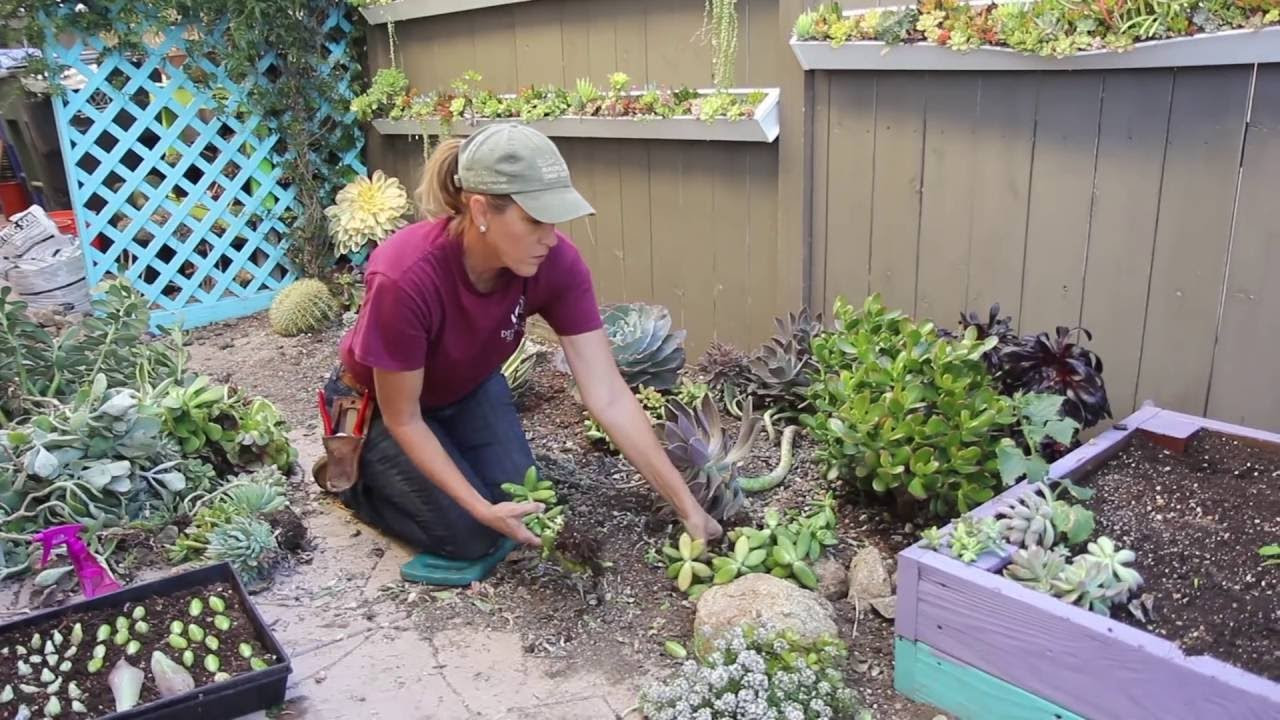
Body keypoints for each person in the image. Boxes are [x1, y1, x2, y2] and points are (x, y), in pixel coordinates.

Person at [319, 122, 723, 562]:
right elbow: (406, 417)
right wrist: (479, 509)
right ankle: (355, 475)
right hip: (381, 405)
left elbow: (607, 393)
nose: (550, 237)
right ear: (480, 210)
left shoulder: (556, 264)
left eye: (554, 219)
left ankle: (446, 465)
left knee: (523, 505)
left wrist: (688, 507)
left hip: (465, 389)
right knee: (473, 536)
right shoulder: (405, 276)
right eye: (534, 220)